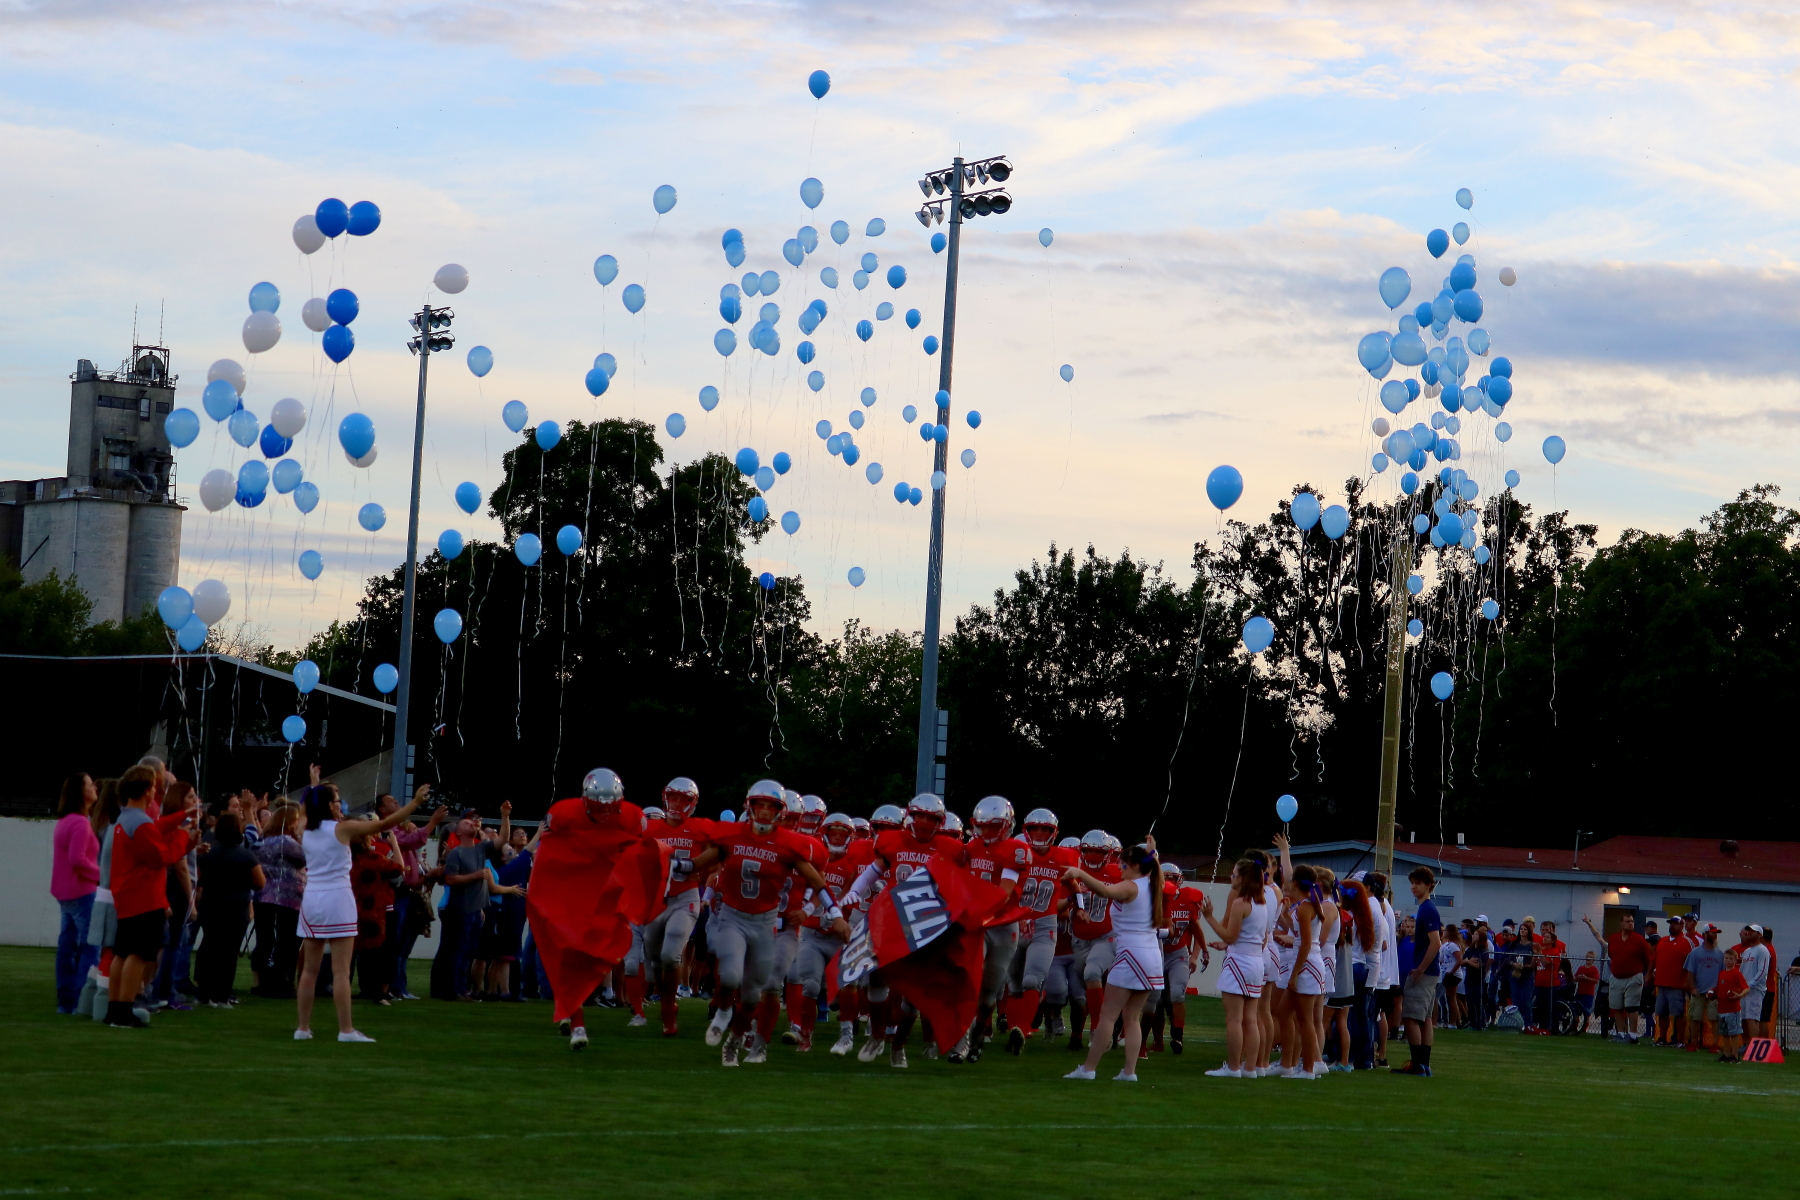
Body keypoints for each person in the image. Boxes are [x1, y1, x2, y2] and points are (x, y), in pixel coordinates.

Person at [684, 780, 849, 1067]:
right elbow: (705, 865)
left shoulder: (804, 847)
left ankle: (759, 1043)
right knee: (739, 980)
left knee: (771, 985)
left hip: (784, 926)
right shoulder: (741, 837)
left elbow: (817, 883)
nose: (798, 824)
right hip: (744, 917)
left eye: (801, 819)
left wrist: (811, 908)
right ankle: (739, 1028)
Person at [294, 770, 427, 1042]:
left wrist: (315, 786)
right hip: (338, 898)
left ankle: (303, 1028)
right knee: (341, 971)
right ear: (330, 805)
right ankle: (346, 1030)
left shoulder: (303, 829)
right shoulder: (343, 829)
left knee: (309, 970)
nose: (340, 803)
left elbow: (304, 808)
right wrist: (414, 803)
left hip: (311, 900)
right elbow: (385, 824)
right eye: (337, 800)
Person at [1062, 839, 1167, 1083]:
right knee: (1132, 1017)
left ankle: (1089, 1068)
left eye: (1123, 865)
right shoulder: (1156, 883)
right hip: (1152, 954)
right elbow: (1156, 869)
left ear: (1135, 867)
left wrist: (1080, 873)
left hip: (1131, 953)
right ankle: (1129, 1072)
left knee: (1109, 1015)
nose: (1119, 868)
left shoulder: (1132, 886)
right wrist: (1152, 852)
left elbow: (1106, 891)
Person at [104, 765, 198, 1027]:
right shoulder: (140, 822)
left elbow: (155, 828)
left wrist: (181, 819)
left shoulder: (127, 819)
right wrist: (182, 835)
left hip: (128, 896)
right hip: (144, 898)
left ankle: (115, 1008)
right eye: (154, 787)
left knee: (122, 953)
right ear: (147, 791)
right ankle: (124, 1009)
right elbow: (162, 857)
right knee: (139, 954)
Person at [950, 796, 1027, 1061]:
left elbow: (1005, 892)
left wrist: (982, 908)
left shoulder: (1015, 849)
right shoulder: (970, 848)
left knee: (987, 994)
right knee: (969, 982)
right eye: (983, 826)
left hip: (1003, 925)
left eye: (994, 826)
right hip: (975, 925)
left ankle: (979, 1037)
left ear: (1006, 825)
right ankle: (960, 1043)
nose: (988, 832)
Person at [636, 778, 716, 1035]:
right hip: (656, 901)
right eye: (674, 797)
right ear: (665, 797)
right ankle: (665, 999)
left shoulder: (701, 828)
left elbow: (720, 856)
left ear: (692, 803)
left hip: (685, 898)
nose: (677, 803)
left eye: (683, 799)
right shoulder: (650, 828)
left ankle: (668, 1010)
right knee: (654, 960)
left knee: (671, 954)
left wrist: (698, 869)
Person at [1200, 856, 1270, 1077]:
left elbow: (1230, 937)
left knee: (1234, 1019)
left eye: (1235, 874)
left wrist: (1209, 917)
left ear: (1243, 878)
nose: (1232, 876)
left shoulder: (1242, 903)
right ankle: (1250, 1068)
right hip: (1256, 962)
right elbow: (1263, 938)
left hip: (1239, 961)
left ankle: (1233, 1067)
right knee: (1250, 1018)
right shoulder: (1262, 903)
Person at [380, 792, 448, 1000]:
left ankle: (399, 986)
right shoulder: (386, 828)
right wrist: (432, 822)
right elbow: (411, 841)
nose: (397, 801)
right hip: (399, 893)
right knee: (397, 941)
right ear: (382, 810)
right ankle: (391, 986)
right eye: (391, 800)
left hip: (410, 893)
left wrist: (426, 875)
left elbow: (415, 843)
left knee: (405, 942)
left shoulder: (400, 827)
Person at [194, 812, 264, 1006]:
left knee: (209, 949)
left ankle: (203, 993)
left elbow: (199, 879)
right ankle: (222, 995)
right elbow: (260, 883)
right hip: (236, 908)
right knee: (229, 953)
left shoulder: (208, 854)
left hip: (211, 906)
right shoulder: (246, 855)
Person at [51, 772, 101, 1013]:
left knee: (67, 946)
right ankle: (82, 1000)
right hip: (82, 891)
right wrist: (101, 875)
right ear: (81, 792)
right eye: (91, 785)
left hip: (65, 892)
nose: (95, 788)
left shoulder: (65, 821)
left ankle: (66, 1000)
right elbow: (78, 860)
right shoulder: (80, 823)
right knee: (90, 948)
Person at [252, 803, 306, 998]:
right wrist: (300, 835)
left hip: (263, 894)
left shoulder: (264, 840)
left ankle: (262, 981)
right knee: (288, 940)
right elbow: (305, 859)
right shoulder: (287, 841)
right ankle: (283, 981)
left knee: (265, 939)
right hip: (288, 897)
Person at [1393, 865, 1442, 1076]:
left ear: (1429, 885)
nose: (1414, 886)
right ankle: (1424, 1064)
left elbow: (1436, 942)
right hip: (1430, 971)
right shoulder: (1425, 909)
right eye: (1412, 883)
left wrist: (1420, 968)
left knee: (1412, 1017)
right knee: (1426, 1018)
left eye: (1419, 883)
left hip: (1424, 971)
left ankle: (1417, 1065)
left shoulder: (1428, 909)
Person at [1584, 912, 1650, 1043]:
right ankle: (1620, 1034)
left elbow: (1646, 959)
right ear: (1621, 923)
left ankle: (1632, 1035)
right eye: (1627, 921)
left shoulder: (1639, 940)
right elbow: (1607, 948)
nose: (1630, 923)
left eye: (1632, 921)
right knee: (1617, 1007)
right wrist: (1589, 923)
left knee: (1632, 1007)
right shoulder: (1614, 939)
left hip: (1633, 977)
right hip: (1617, 977)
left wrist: (1646, 974)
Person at [1651, 915, 1693, 1046]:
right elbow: (1654, 960)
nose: (1672, 926)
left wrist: (1688, 981)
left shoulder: (1686, 942)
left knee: (1678, 1014)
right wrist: (1649, 974)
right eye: (1671, 924)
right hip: (1662, 984)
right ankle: (1662, 1038)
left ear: (1682, 926)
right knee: (1662, 1013)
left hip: (1677, 985)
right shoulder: (1662, 941)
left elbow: (1691, 963)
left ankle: (1680, 1040)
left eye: (1675, 924)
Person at [1682, 924, 1724, 1053]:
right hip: (1698, 991)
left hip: (1713, 992)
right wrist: (1692, 988)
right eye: (1712, 933)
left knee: (1714, 1018)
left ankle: (1715, 1044)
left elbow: (1722, 973)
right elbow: (1690, 972)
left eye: (1716, 933)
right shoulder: (1695, 953)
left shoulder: (1720, 954)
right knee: (1695, 1017)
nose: (1715, 935)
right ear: (1705, 934)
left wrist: (1718, 990)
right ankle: (1694, 1042)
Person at [1734, 925, 1771, 1040]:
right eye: (1748, 931)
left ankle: (1753, 1046)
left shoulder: (1762, 950)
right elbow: (1742, 971)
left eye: (1752, 931)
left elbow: (1763, 971)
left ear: (1759, 934)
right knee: (1744, 1018)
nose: (1749, 933)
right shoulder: (1746, 952)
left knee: (1752, 1018)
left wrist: (1750, 984)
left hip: (1755, 990)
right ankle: (1746, 1044)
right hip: (1745, 990)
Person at [1715, 949, 1749, 1063]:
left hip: (1732, 1009)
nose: (1728, 960)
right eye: (1726, 958)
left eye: (1731, 958)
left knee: (1733, 1033)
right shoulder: (1721, 973)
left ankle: (1735, 1056)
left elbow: (1746, 988)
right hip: (1722, 1008)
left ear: (1735, 960)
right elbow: (1719, 989)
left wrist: (1739, 996)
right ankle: (1726, 1054)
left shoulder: (1737, 973)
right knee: (1724, 1033)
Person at [1533, 920, 1566, 1034]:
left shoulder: (1554, 952)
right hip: (1539, 983)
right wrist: (1536, 953)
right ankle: (1542, 1028)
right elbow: (1535, 963)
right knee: (1540, 1007)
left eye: (1547, 937)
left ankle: (1553, 1029)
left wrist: (1539, 954)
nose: (1544, 938)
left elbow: (1547, 963)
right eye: (1544, 936)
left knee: (1551, 1008)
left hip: (1550, 984)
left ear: (1552, 940)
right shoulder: (1541, 950)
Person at [1574, 951, 1601, 1033]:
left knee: (1586, 1012)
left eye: (1590, 957)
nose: (1588, 959)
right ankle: (1574, 1027)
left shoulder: (1594, 970)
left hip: (1588, 994)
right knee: (1576, 1011)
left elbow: (1596, 981)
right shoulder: (1581, 968)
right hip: (1579, 992)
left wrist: (1586, 978)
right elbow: (1575, 978)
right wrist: (1578, 978)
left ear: (1593, 960)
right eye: (1587, 957)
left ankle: (1584, 1029)